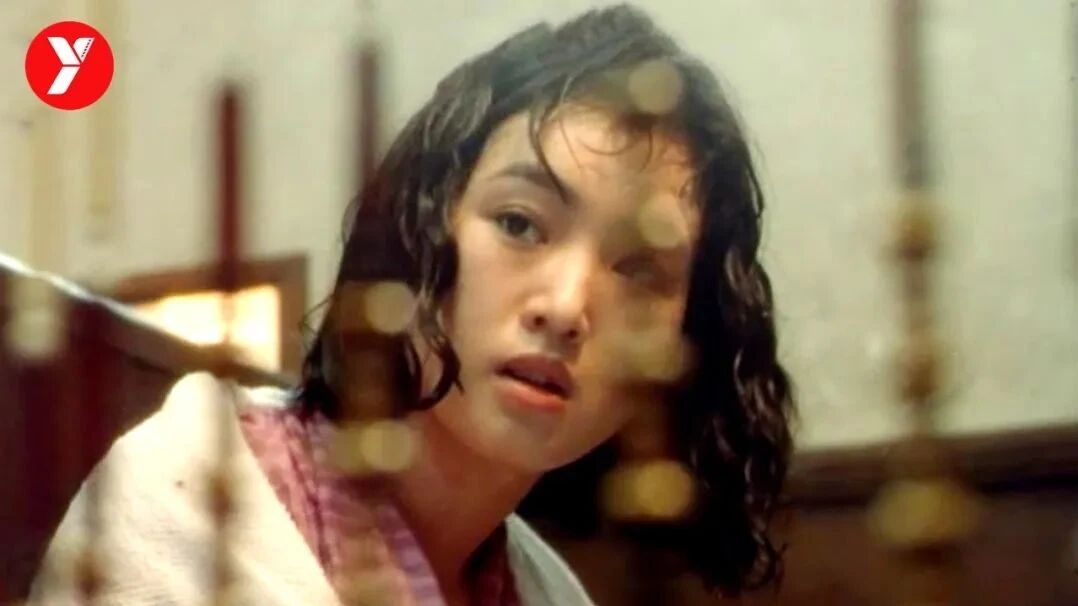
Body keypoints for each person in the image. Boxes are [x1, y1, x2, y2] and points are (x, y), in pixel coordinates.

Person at [31, 4, 794, 605]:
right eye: (519, 223)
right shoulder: (187, 497)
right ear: (415, 228)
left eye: (640, 270)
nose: (565, 307)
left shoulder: (551, 590)